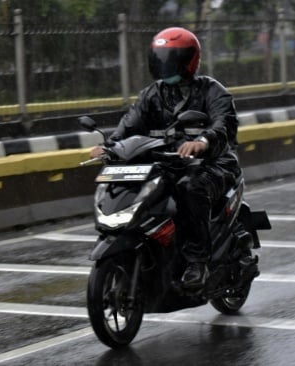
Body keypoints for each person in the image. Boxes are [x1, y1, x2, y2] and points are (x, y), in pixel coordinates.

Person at [89, 27, 242, 289]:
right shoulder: (152, 94)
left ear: (188, 60)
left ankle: (198, 261)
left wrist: (202, 142)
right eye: (160, 57)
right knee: (136, 188)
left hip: (212, 165)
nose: (164, 64)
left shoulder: (211, 91)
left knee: (189, 188)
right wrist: (109, 146)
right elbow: (129, 125)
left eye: (171, 58)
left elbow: (223, 125)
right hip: (166, 163)